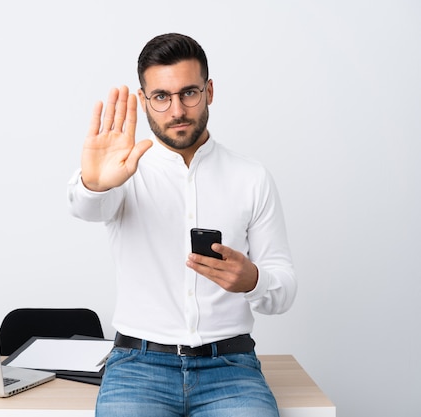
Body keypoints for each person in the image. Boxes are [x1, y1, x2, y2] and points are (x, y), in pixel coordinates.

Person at [67, 33, 297, 417]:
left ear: (209, 91)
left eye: (189, 93)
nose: (177, 110)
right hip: (137, 367)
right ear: (144, 101)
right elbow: (87, 208)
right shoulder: (124, 171)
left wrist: (253, 280)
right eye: (161, 97)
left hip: (230, 369)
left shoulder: (251, 177)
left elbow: (284, 287)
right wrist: (94, 184)